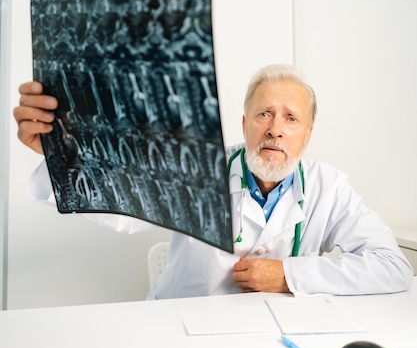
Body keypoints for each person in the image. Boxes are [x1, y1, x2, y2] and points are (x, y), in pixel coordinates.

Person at [13, 64, 414, 299]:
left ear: (307, 134)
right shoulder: (197, 168)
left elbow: (392, 267)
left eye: (291, 118)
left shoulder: (331, 187)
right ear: (244, 124)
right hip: (180, 330)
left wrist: (290, 276)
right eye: (264, 115)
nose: (275, 129)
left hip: (274, 337)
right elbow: (118, 202)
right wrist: (59, 152)